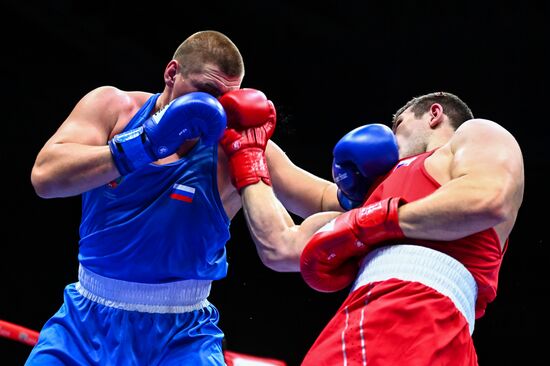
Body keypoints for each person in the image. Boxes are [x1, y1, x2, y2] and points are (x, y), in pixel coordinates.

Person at [28, 30, 343, 365]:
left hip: (182, 336)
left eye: (225, 100)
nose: (212, 110)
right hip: (85, 323)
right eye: (205, 92)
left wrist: (378, 183)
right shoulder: (114, 109)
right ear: (171, 73)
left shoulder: (232, 147)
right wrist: (142, 145)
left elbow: (323, 198)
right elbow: (45, 178)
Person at [230, 91, 524, 365]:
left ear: (434, 114)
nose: (392, 142)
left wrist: (375, 222)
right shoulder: (376, 196)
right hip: (368, 317)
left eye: (398, 126)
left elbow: (488, 199)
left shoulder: (475, 136)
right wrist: (247, 149)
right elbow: (279, 246)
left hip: (418, 316)